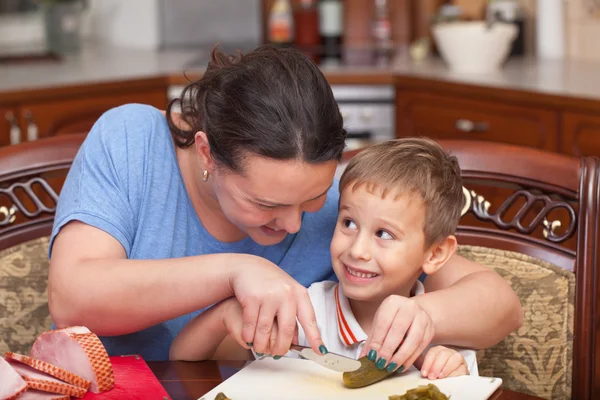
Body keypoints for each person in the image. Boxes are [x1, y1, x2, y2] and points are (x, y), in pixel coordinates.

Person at [47, 44, 522, 369]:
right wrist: (234, 271)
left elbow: (499, 306)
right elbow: (73, 297)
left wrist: (430, 317)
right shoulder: (131, 141)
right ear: (208, 153)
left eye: (313, 199)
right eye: (266, 203)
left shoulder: (348, 212)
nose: (296, 222)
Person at [169, 138, 480, 380]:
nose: (357, 250)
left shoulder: (445, 337)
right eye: (348, 223)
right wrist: (226, 314)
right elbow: (185, 361)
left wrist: (455, 379)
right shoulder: (304, 314)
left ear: (435, 253)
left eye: (384, 234)